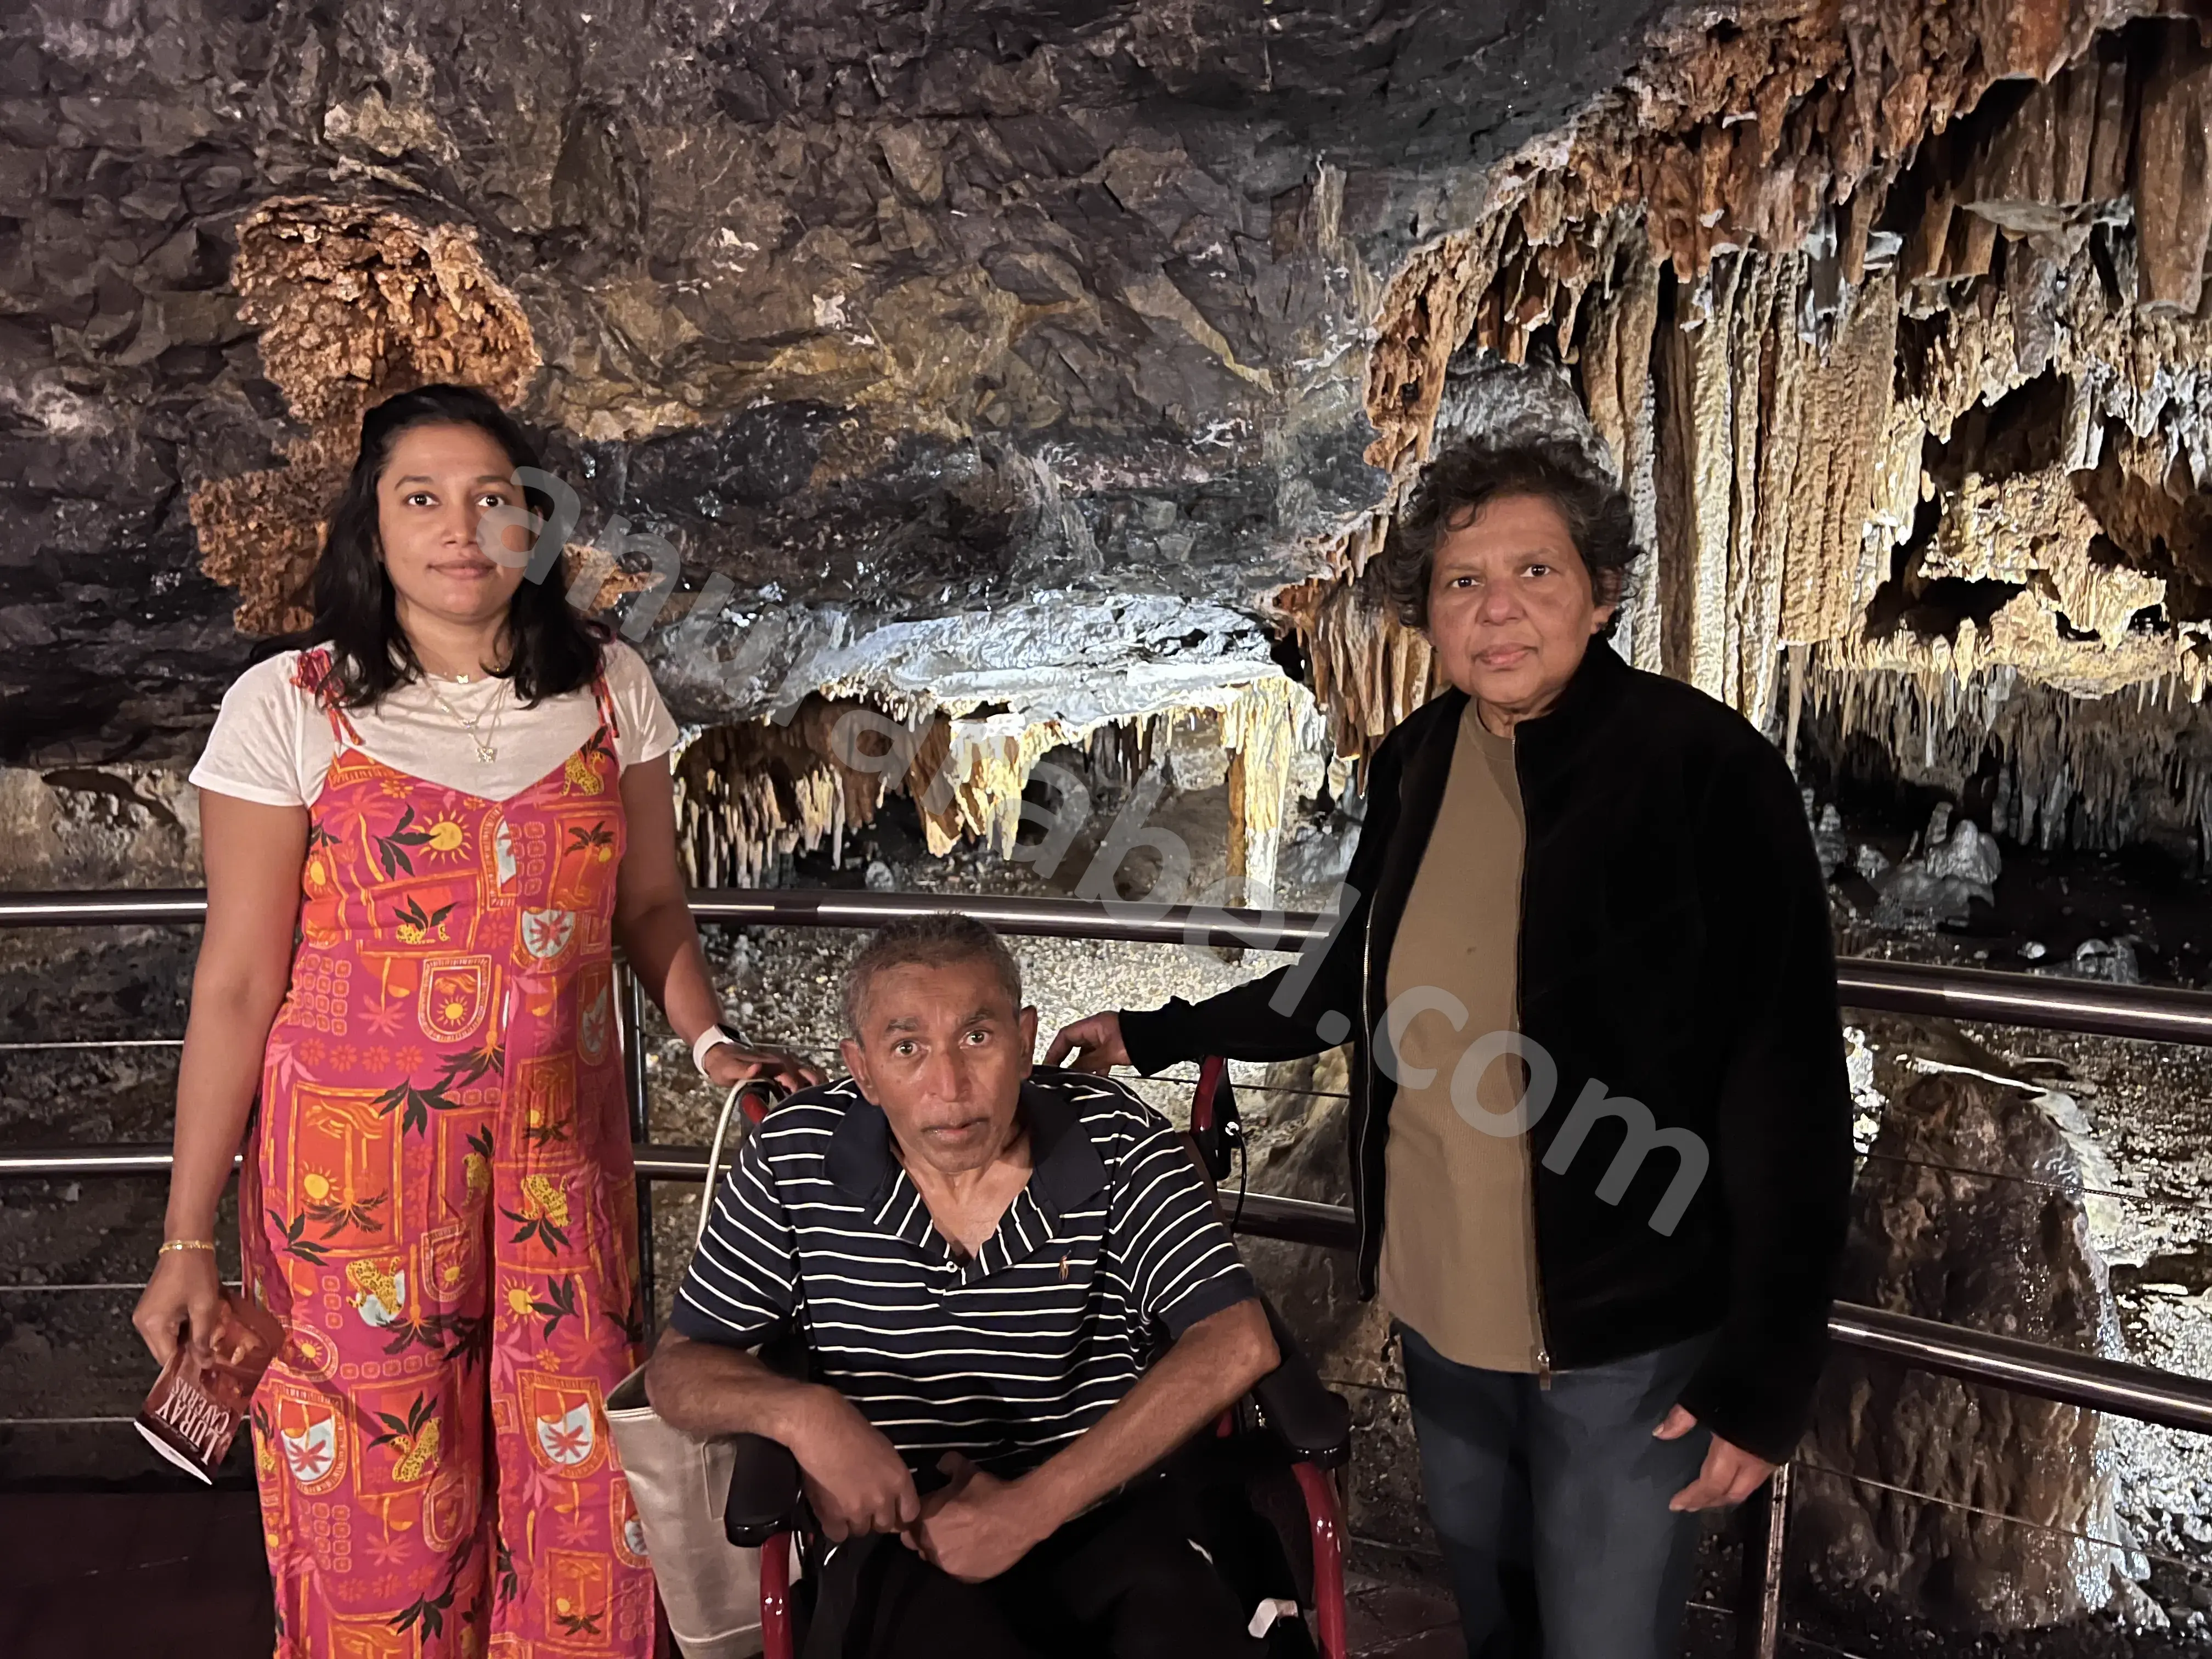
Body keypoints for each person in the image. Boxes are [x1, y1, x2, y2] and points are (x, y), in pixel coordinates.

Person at [1047, 436, 1854, 1659]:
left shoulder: (1706, 771)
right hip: (1438, 1315)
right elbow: (1349, 984)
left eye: (1536, 571)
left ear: (1602, 592)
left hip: (1622, 1337)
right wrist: (1159, 1033)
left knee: (1604, 1640)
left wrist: (1769, 1373)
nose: (1498, 609)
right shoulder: (1419, 760)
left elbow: (1786, 1084)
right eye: (1463, 581)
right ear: (1425, 611)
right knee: (1496, 1623)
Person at [134, 382, 822, 1656]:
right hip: (353, 1191)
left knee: (586, 1483)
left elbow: (650, 905)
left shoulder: (608, 688)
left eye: (491, 499)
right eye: (422, 499)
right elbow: (235, 982)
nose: (461, 530)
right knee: (376, 1499)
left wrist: (710, 1041)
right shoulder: (291, 702)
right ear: (372, 526)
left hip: (564, 1167)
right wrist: (186, 1237)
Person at [646, 913, 1282, 1659]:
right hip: (897, 1534)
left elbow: (1238, 1339)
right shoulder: (795, 1158)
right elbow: (679, 1369)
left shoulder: (1118, 1142)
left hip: (1104, 1507)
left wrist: (1028, 1510)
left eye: (977, 1038)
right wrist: (805, 1417)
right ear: (863, 1070)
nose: (949, 1089)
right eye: (907, 1049)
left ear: (1023, 1041)